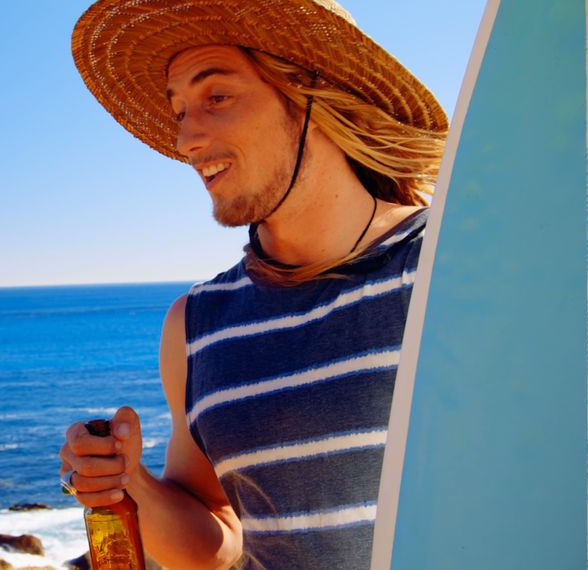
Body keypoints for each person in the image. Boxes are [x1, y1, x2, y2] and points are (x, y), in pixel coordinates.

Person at [59, 1, 448, 568]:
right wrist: (129, 485)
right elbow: (217, 541)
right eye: (180, 111)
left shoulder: (452, 266)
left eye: (217, 97)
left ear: (313, 97)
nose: (188, 138)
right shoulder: (196, 326)